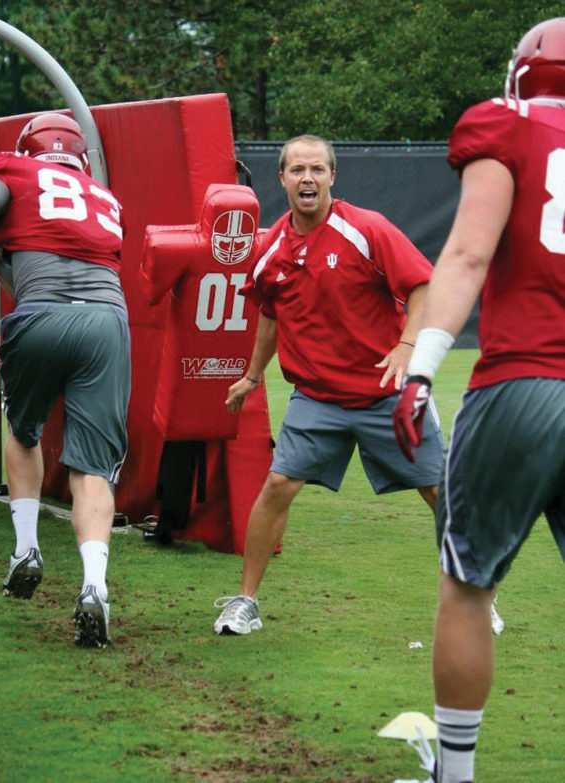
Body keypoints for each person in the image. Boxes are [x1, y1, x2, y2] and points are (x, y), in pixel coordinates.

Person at [392, 18, 565, 783]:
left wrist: (422, 367)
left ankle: (454, 776)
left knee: (467, 584)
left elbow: (467, 251)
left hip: (525, 380)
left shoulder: (509, 123)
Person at [213, 134, 445, 635]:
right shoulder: (269, 249)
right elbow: (270, 315)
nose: (307, 178)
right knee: (277, 486)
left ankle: (477, 598)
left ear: (332, 177)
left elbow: (423, 285)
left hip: (388, 392)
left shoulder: (367, 228)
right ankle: (244, 602)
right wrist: (252, 376)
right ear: (282, 179)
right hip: (317, 399)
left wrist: (407, 347)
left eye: (317, 169)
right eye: (297, 170)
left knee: (440, 492)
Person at [0, 113, 130, 648]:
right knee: (94, 466)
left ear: (29, 150)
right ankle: (95, 583)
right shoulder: (104, 198)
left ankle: (26, 547)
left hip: (41, 315)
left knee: (24, 430)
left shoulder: (16, 173)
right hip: (105, 320)